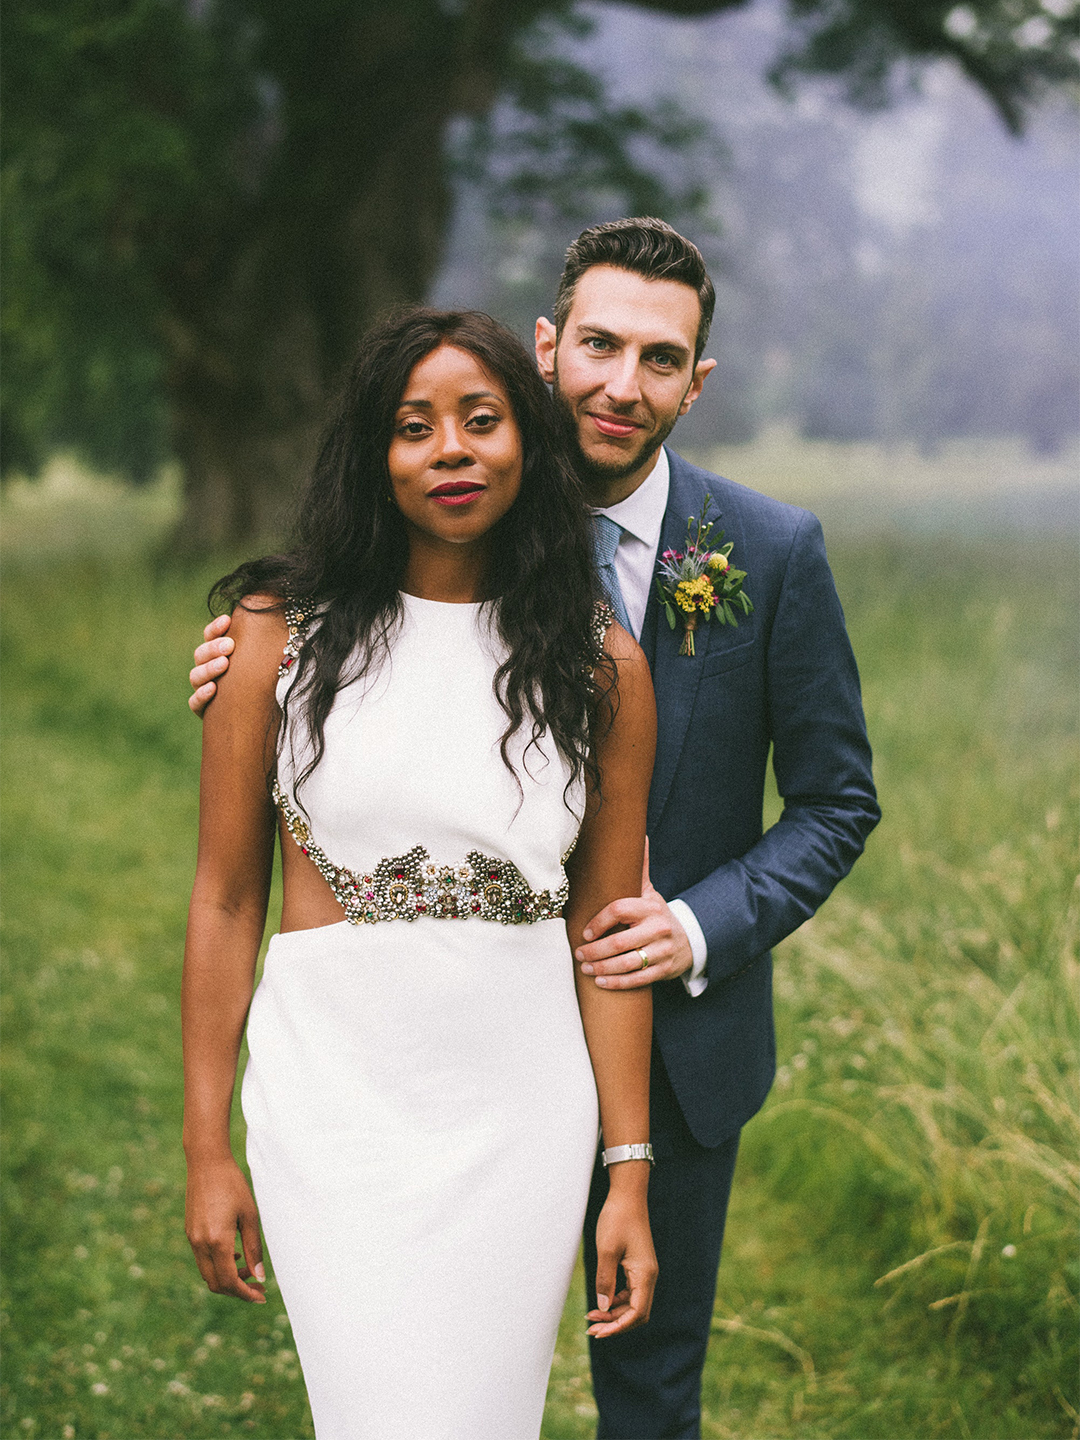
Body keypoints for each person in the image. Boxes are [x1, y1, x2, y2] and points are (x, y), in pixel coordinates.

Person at [190, 220, 880, 1440]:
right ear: (549, 352)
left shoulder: (766, 555)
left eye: (660, 358)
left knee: (650, 1397)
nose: (624, 382)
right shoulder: (440, 517)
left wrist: (692, 926)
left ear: (696, 381)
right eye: (600, 345)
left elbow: (837, 801)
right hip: (382, 1059)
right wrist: (254, 661)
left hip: (653, 1049)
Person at [182, 305, 660, 1440]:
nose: (451, 449)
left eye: (482, 420)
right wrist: (207, 1148)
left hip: (520, 1113)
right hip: (332, 1102)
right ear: (373, 453)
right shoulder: (273, 637)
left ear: (528, 445)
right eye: (415, 426)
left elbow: (607, 933)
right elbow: (224, 899)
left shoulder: (601, 666)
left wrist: (626, 1172)